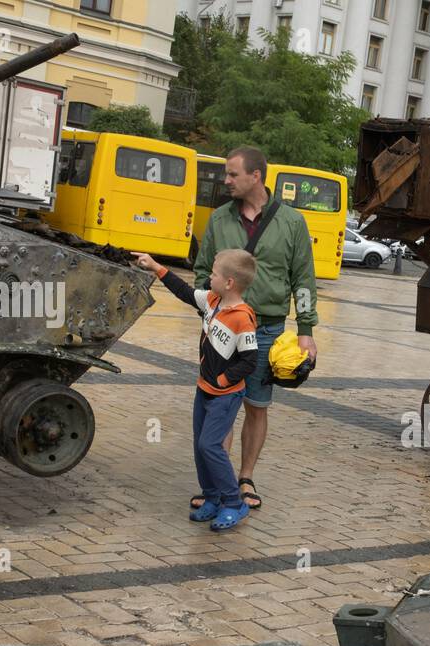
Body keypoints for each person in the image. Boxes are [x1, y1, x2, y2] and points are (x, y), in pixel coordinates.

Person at [191, 146, 319, 512]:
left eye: (232, 174)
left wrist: (306, 329)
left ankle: (245, 477)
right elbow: (202, 271)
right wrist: (212, 313)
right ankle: (221, 483)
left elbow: (304, 279)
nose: (225, 180)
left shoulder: (292, 222)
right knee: (219, 405)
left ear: (256, 176)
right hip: (223, 333)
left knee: (257, 406)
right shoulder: (218, 219)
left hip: (268, 331)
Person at [133, 248, 259, 532]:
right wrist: (156, 266)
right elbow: (185, 292)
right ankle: (212, 497)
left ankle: (233, 502)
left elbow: (250, 360)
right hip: (204, 390)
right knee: (199, 446)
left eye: (214, 274)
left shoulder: (243, 317)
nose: (209, 277)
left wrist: (225, 380)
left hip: (225, 395)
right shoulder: (212, 301)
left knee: (210, 445)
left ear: (229, 282)